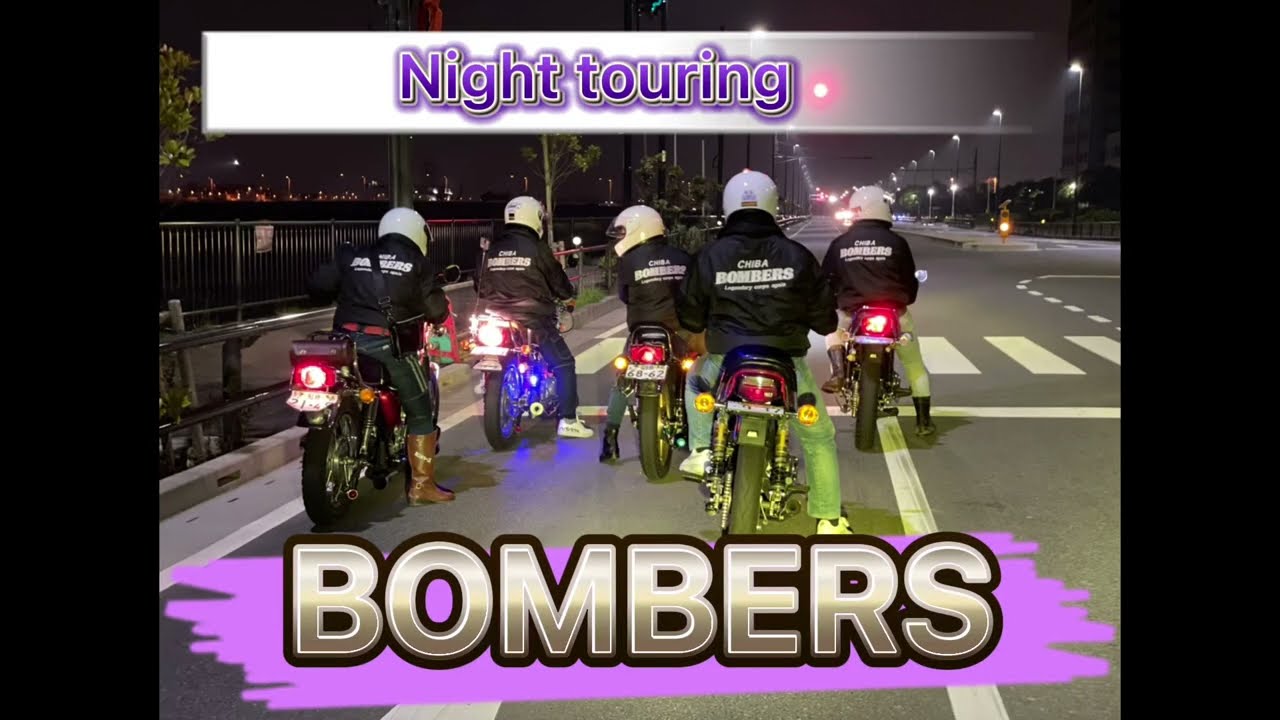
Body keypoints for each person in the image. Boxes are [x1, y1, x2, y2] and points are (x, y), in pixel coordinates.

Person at [677, 170, 853, 535]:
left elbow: (689, 316)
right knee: (817, 436)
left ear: (729, 206)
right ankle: (829, 518)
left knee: (695, 382)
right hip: (786, 359)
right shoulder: (797, 255)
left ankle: (702, 450)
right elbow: (825, 321)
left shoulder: (710, 255)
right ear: (773, 206)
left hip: (727, 355)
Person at [305, 207, 455, 505]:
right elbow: (436, 310)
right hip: (386, 345)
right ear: (419, 234)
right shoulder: (417, 263)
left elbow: (317, 286)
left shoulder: (354, 255)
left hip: (342, 343)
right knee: (420, 411)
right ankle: (421, 486)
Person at [820, 186, 935, 436]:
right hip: (894, 313)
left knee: (831, 330)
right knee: (914, 364)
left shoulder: (840, 243)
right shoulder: (897, 242)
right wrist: (905, 298)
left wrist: (835, 299)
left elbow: (825, 279)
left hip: (852, 313)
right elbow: (909, 282)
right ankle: (924, 421)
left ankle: (838, 373)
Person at [476, 196, 593, 439]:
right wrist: (568, 295)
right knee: (564, 364)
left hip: (494, 315)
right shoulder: (537, 248)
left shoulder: (493, 247)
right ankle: (568, 420)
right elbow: (557, 280)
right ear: (535, 218)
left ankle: (489, 384)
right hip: (533, 318)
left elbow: (480, 284)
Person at [598, 204, 697, 463]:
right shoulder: (683, 257)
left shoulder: (628, 262)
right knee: (694, 375)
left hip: (641, 331)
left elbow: (624, 296)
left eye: (623, 232)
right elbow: (693, 296)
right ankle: (695, 434)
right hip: (677, 331)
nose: (620, 238)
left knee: (623, 379)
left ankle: (610, 438)